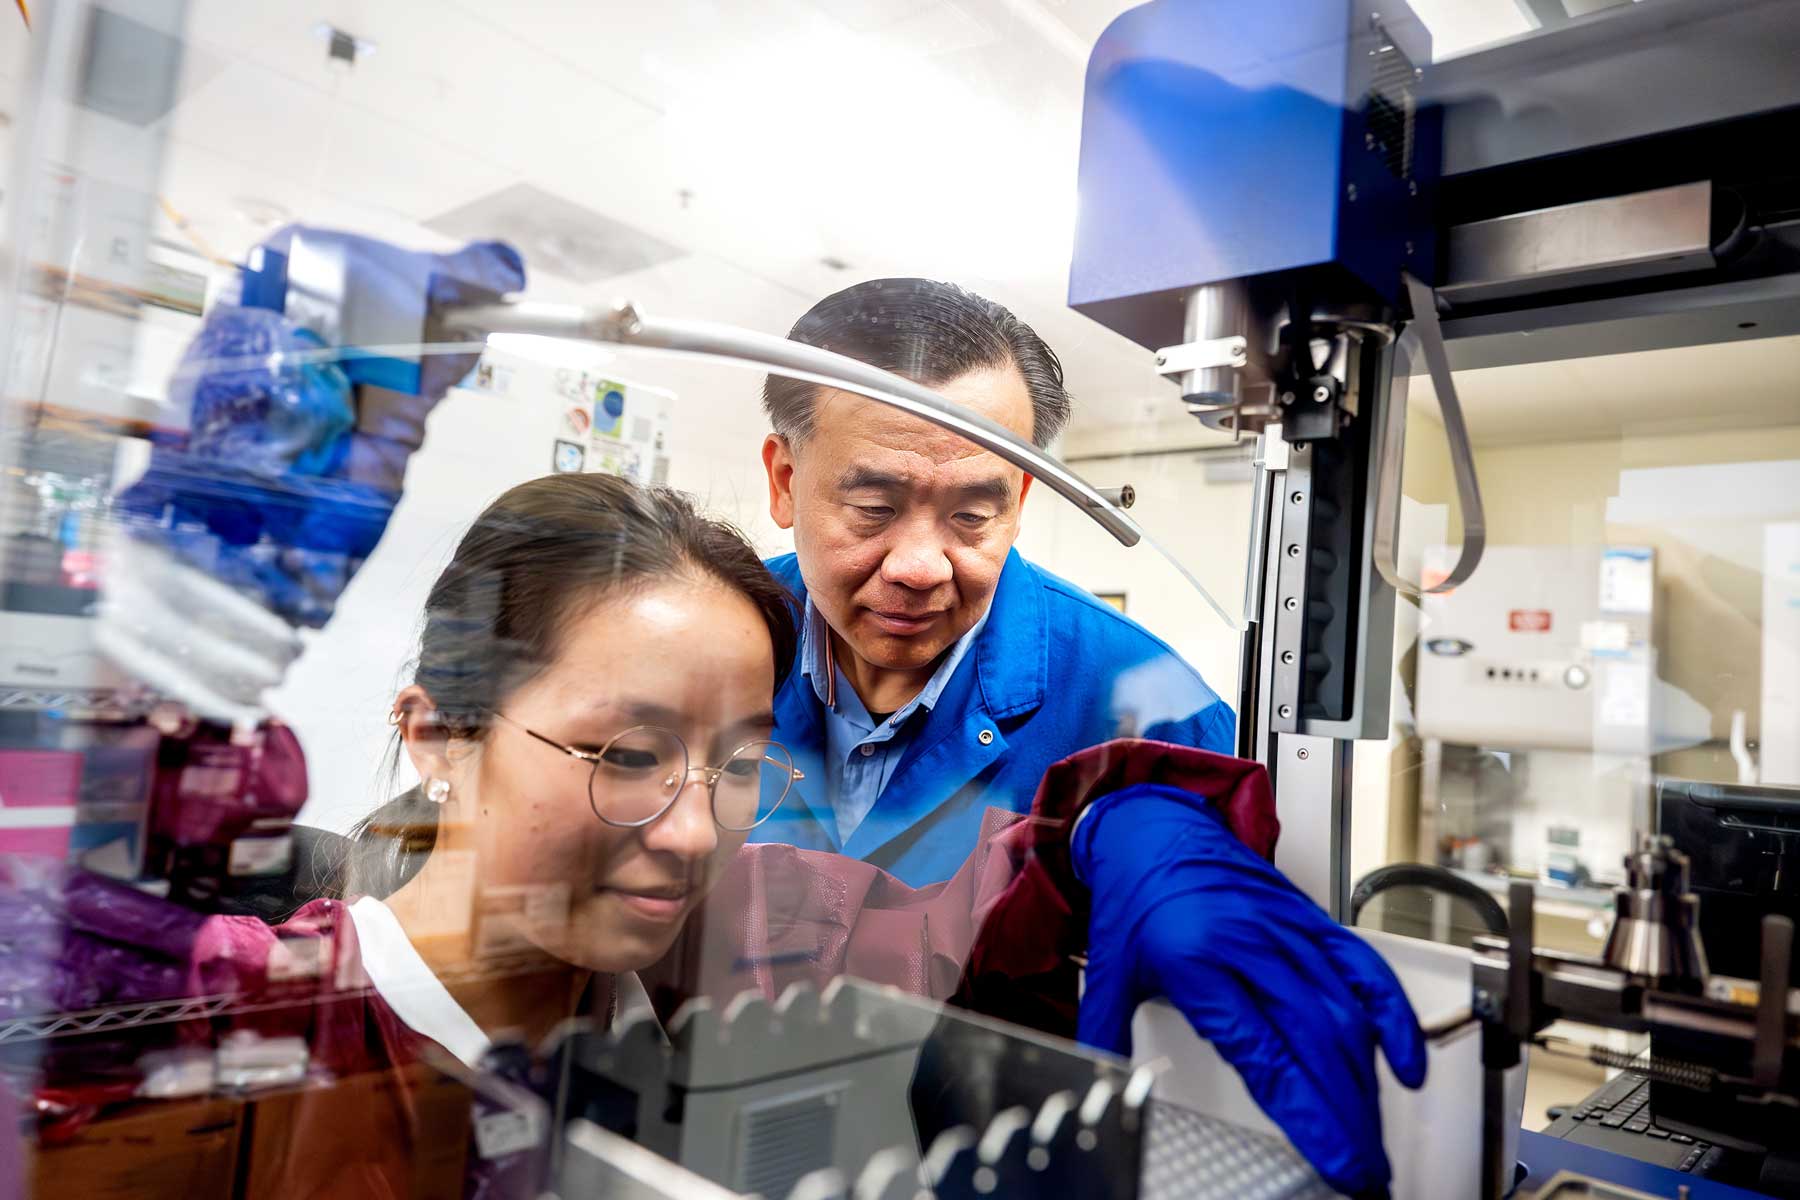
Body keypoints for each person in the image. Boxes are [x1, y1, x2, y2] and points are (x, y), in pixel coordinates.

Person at [751, 277, 1233, 886]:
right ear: (786, 481)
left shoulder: (1156, 719)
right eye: (874, 507)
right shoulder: (721, 637)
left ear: (1019, 500)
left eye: (971, 516)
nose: (921, 568)